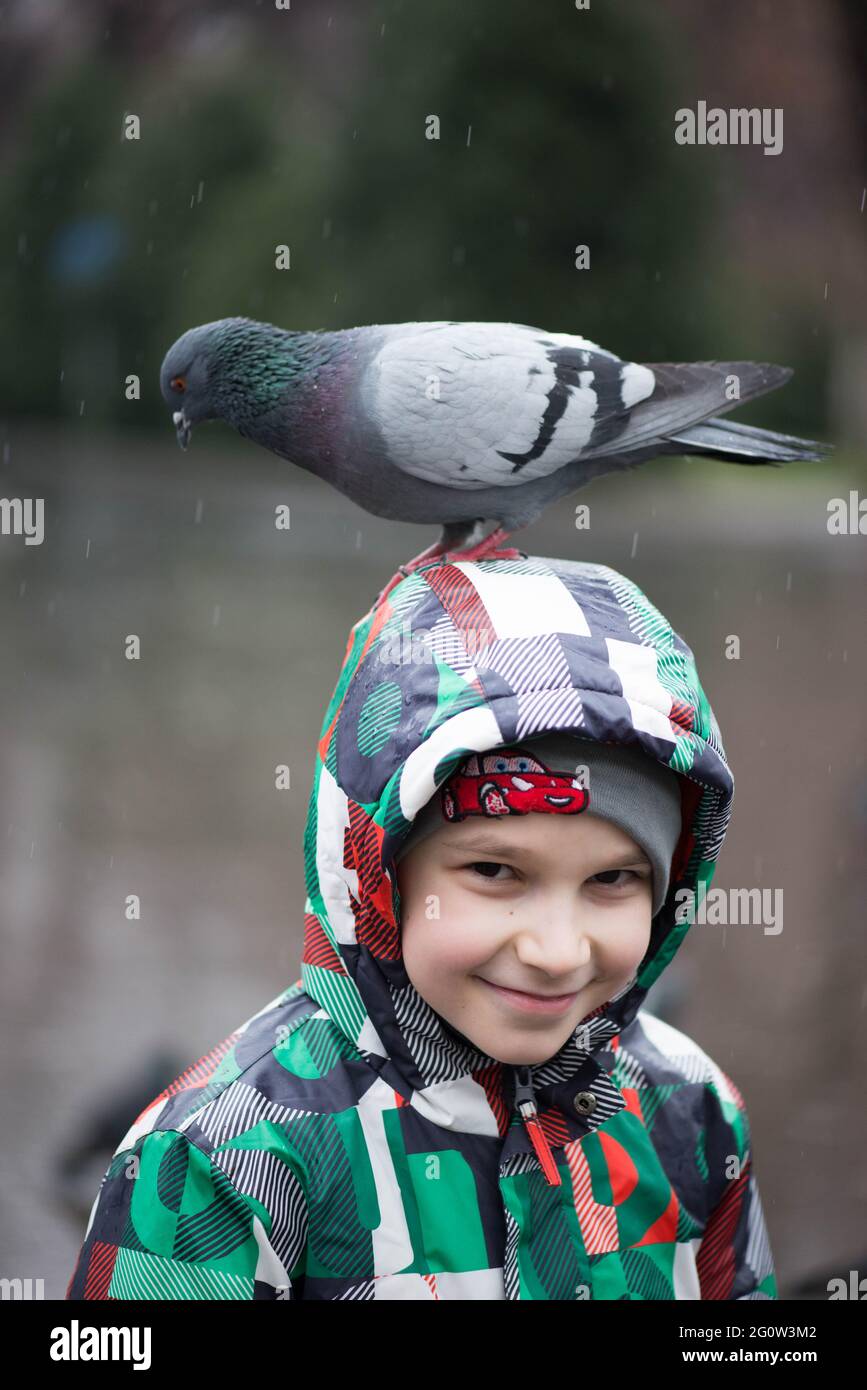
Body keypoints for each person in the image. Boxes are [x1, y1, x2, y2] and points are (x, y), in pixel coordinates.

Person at [66, 553, 776, 1300]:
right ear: (379, 871)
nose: (554, 950)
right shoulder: (217, 1157)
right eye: (495, 873)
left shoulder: (694, 1111)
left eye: (612, 880)